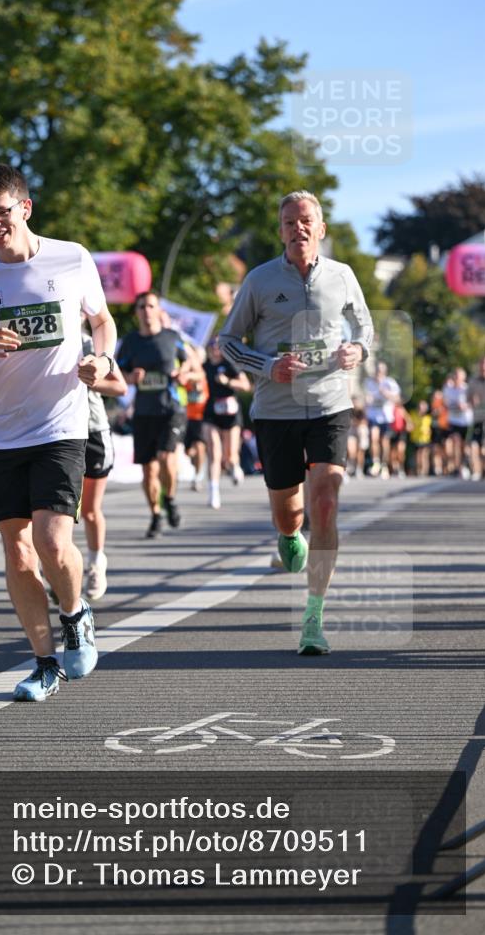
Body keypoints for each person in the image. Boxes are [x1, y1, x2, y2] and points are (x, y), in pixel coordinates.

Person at [0, 163, 117, 702]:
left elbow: (101, 320)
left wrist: (102, 359)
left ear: (25, 208)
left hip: (61, 424)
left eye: (2, 212)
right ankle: (44, 664)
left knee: (51, 540)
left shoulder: (72, 258)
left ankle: (75, 614)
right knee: (17, 555)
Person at [220, 189, 373, 656]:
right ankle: (289, 536)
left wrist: (357, 349)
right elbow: (228, 341)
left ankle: (313, 616)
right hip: (276, 410)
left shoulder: (343, 276)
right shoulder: (260, 280)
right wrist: (269, 366)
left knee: (325, 503)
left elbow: (365, 327)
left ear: (321, 229)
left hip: (330, 404)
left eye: (306, 221)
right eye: (289, 222)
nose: (298, 229)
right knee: (289, 516)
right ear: (281, 231)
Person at [117, 291, 191, 538]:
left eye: (151, 306)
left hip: (170, 409)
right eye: (142, 307)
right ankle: (156, 515)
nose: (146, 311)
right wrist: (130, 377)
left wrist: (183, 373)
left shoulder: (172, 337)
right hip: (143, 411)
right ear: (136, 312)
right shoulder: (130, 342)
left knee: (166, 457)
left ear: (159, 310)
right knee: (148, 470)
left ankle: (170, 498)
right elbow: (117, 372)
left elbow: (189, 362)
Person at [80, 321, 127, 601]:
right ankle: (57, 568)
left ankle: (96, 562)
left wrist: (90, 379)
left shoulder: (89, 344)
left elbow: (120, 387)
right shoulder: (37, 338)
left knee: (88, 510)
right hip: (54, 434)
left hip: (93, 431)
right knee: (57, 511)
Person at [203, 337, 250, 509]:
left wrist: (228, 381)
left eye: (218, 346)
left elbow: (246, 385)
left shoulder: (229, 364)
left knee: (229, 456)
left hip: (230, 412)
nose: (215, 349)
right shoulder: (205, 366)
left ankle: (234, 465)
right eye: (212, 345)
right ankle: (213, 491)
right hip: (212, 411)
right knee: (214, 452)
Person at [363, 361, 400, 478]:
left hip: (386, 416)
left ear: (385, 372)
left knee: (384, 442)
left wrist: (385, 393)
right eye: (377, 371)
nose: (378, 373)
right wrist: (366, 400)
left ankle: (384, 465)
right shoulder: (368, 382)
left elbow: (397, 399)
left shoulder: (390, 382)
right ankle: (376, 462)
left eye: (381, 371)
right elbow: (365, 398)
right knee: (373, 438)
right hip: (373, 415)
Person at [183, 345, 209, 492]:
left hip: (201, 417)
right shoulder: (185, 373)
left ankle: (198, 476)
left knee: (199, 447)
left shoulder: (203, 374)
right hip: (186, 418)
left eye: (196, 358)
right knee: (189, 451)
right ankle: (197, 466)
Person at [442, 367, 473, 479]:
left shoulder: (467, 388)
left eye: (459, 376)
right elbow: (445, 403)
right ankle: (457, 467)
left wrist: (465, 406)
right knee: (455, 442)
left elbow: (473, 402)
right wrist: (451, 405)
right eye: (455, 376)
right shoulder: (447, 388)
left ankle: (466, 464)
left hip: (466, 420)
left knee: (465, 446)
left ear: (463, 378)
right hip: (454, 420)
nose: (456, 378)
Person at [467, 355, 485, 481]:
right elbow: (467, 399)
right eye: (482, 363)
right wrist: (472, 401)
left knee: (484, 449)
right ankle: (477, 471)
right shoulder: (473, 382)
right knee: (474, 446)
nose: (484, 366)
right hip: (477, 419)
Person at [408, 399, 432, 477]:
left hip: (426, 439)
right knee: (418, 455)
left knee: (424, 455)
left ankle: (424, 471)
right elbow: (410, 426)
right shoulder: (413, 415)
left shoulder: (428, 417)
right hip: (416, 439)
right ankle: (418, 470)